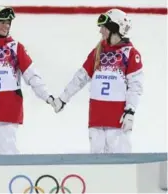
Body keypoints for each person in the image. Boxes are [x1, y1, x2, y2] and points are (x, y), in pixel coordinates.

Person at [0, 6, 55, 156]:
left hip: (9, 108)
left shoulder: (15, 48)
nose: (6, 26)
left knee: (7, 149)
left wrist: (47, 96)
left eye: (8, 23)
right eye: (2, 22)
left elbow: (32, 75)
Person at [53, 9, 143, 153]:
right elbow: (80, 78)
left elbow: (135, 87)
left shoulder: (131, 54)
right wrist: (63, 99)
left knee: (121, 167)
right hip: (96, 120)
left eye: (104, 27)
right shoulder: (97, 52)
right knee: (98, 168)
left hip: (117, 121)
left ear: (115, 28)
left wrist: (130, 111)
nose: (101, 31)